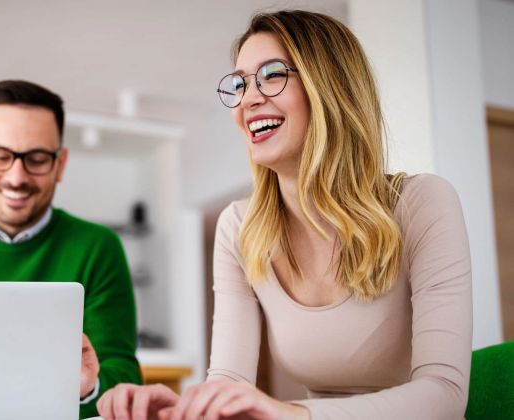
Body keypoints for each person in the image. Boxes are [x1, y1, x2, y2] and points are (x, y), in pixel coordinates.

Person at [98, 10, 471, 420]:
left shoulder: (422, 202)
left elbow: (444, 396)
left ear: (330, 87)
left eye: (273, 75)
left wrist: (293, 414)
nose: (249, 98)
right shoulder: (239, 229)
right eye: (239, 83)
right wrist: (183, 409)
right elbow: (228, 380)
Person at [0, 80, 142, 419]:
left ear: (60, 164)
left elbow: (124, 378)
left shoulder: (97, 247)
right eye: (1, 156)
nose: (17, 177)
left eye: (36, 159)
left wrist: (86, 387)